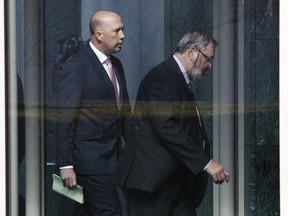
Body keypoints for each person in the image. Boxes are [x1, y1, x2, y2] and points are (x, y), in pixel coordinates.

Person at [112, 28, 230, 216]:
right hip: (151, 187)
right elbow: (167, 126)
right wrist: (206, 163)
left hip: (172, 186)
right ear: (192, 52)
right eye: (208, 59)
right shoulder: (162, 78)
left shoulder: (177, 78)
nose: (210, 66)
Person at [55, 11, 131, 216]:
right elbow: (65, 117)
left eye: (122, 29)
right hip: (90, 162)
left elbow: (123, 114)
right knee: (110, 211)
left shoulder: (116, 65)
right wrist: (66, 164)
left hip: (113, 159)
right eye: (117, 30)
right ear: (99, 35)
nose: (123, 35)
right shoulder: (77, 65)